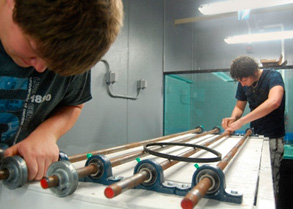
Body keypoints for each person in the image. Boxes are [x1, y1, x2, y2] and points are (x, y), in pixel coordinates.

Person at [0, 0, 123, 181]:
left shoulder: (70, 54)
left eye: (53, 66)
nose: (41, 67)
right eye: (34, 48)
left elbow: (73, 105)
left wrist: (47, 134)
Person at [222, 55, 285, 202]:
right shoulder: (243, 82)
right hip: (255, 136)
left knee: (269, 183)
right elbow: (239, 106)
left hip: (272, 138)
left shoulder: (273, 77)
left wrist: (242, 121)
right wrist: (234, 119)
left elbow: (274, 101)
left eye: (243, 80)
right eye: (239, 80)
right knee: (253, 181)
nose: (242, 84)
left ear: (254, 72)